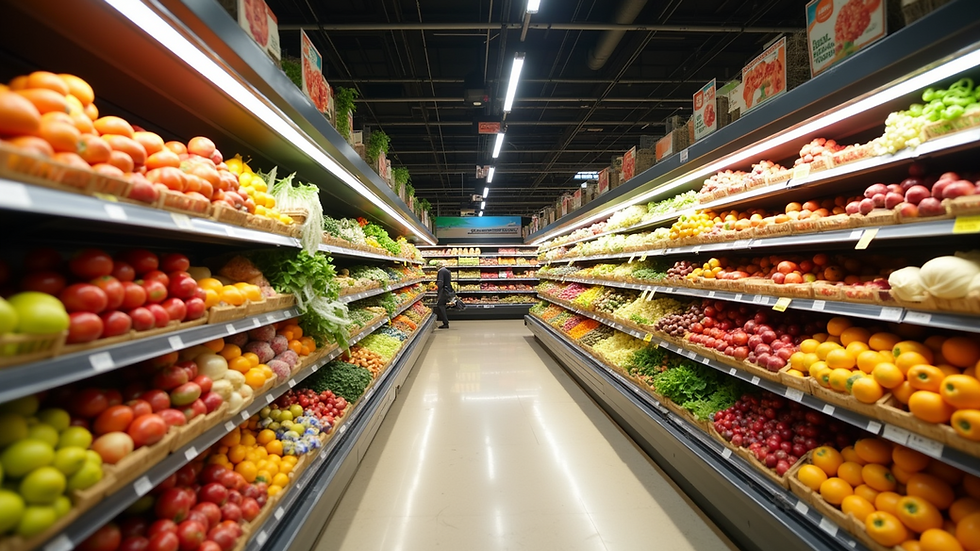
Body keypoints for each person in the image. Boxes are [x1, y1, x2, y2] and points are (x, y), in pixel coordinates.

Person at [435, 262, 454, 329]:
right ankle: (445, 322)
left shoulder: (441, 271)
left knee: (440, 305)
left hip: (443, 291)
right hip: (447, 289)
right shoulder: (447, 271)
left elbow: (440, 282)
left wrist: (437, 290)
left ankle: (445, 323)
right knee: (442, 305)